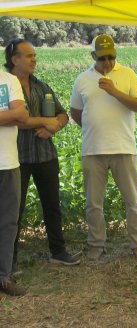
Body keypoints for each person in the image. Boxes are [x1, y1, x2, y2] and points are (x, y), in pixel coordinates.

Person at [70, 34, 137, 261]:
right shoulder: (82, 79)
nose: (107, 62)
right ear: (93, 56)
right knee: (93, 204)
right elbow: (76, 113)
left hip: (123, 148)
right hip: (93, 150)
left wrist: (114, 91)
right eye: (102, 58)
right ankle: (96, 245)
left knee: (133, 201)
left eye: (111, 57)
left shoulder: (128, 74)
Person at [5, 39, 80, 271]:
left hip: (45, 155)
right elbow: (18, 119)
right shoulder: (5, 86)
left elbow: (63, 115)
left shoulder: (42, 86)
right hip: (17, 158)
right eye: (28, 56)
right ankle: (10, 261)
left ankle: (58, 251)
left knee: (52, 205)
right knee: (13, 211)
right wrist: (44, 121)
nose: (34, 59)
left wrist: (54, 126)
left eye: (35, 55)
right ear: (14, 59)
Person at [0, 68, 29, 296]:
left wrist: (15, 114)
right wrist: (10, 114)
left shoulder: (9, 80)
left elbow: (21, 116)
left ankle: (3, 277)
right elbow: (14, 114)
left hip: (9, 163)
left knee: (9, 223)